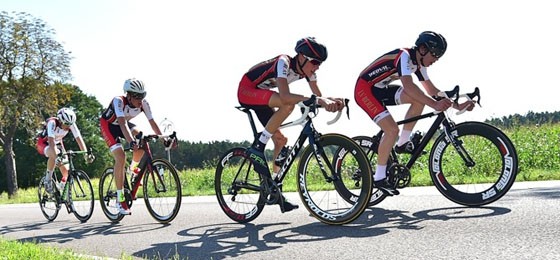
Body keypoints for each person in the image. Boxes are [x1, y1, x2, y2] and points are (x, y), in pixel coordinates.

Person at [354, 31, 474, 196]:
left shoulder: (419, 64)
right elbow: (409, 86)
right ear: (423, 49)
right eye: (435, 55)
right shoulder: (403, 56)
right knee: (391, 130)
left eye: (438, 57)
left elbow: (431, 90)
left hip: (381, 89)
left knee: (418, 100)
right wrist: (434, 104)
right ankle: (379, 177)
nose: (436, 60)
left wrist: (456, 106)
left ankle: (403, 143)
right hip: (365, 89)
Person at [238, 37, 344, 213]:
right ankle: (259, 145)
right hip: (247, 90)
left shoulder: (308, 71)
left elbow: (317, 95)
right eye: (315, 62)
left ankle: (273, 189)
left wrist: (332, 101)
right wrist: (318, 100)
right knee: (288, 104)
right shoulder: (283, 62)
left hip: (264, 95)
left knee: (280, 140)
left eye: (320, 63)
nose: (317, 66)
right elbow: (286, 96)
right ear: (302, 57)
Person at [100, 78, 165, 215]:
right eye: (137, 96)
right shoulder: (118, 101)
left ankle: (132, 170)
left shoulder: (143, 104)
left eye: (142, 95)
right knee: (121, 156)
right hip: (110, 126)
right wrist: (130, 141)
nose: (140, 100)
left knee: (142, 141)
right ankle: (120, 198)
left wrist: (163, 138)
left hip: (124, 125)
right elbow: (122, 124)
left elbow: (152, 123)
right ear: (128, 95)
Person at [36, 107, 95, 193]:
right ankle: (48, 180)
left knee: (66, 171)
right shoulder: (52, 123)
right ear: (60, 120)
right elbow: (51, 143)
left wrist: (86, 155)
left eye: (70, 125)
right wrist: (56, 158)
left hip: (58, 143)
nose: (68, 127)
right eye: (66, 124)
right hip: (44, 143)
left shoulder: (70, 123)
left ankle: (61, 190)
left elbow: (79, 139)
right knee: (55, 154)